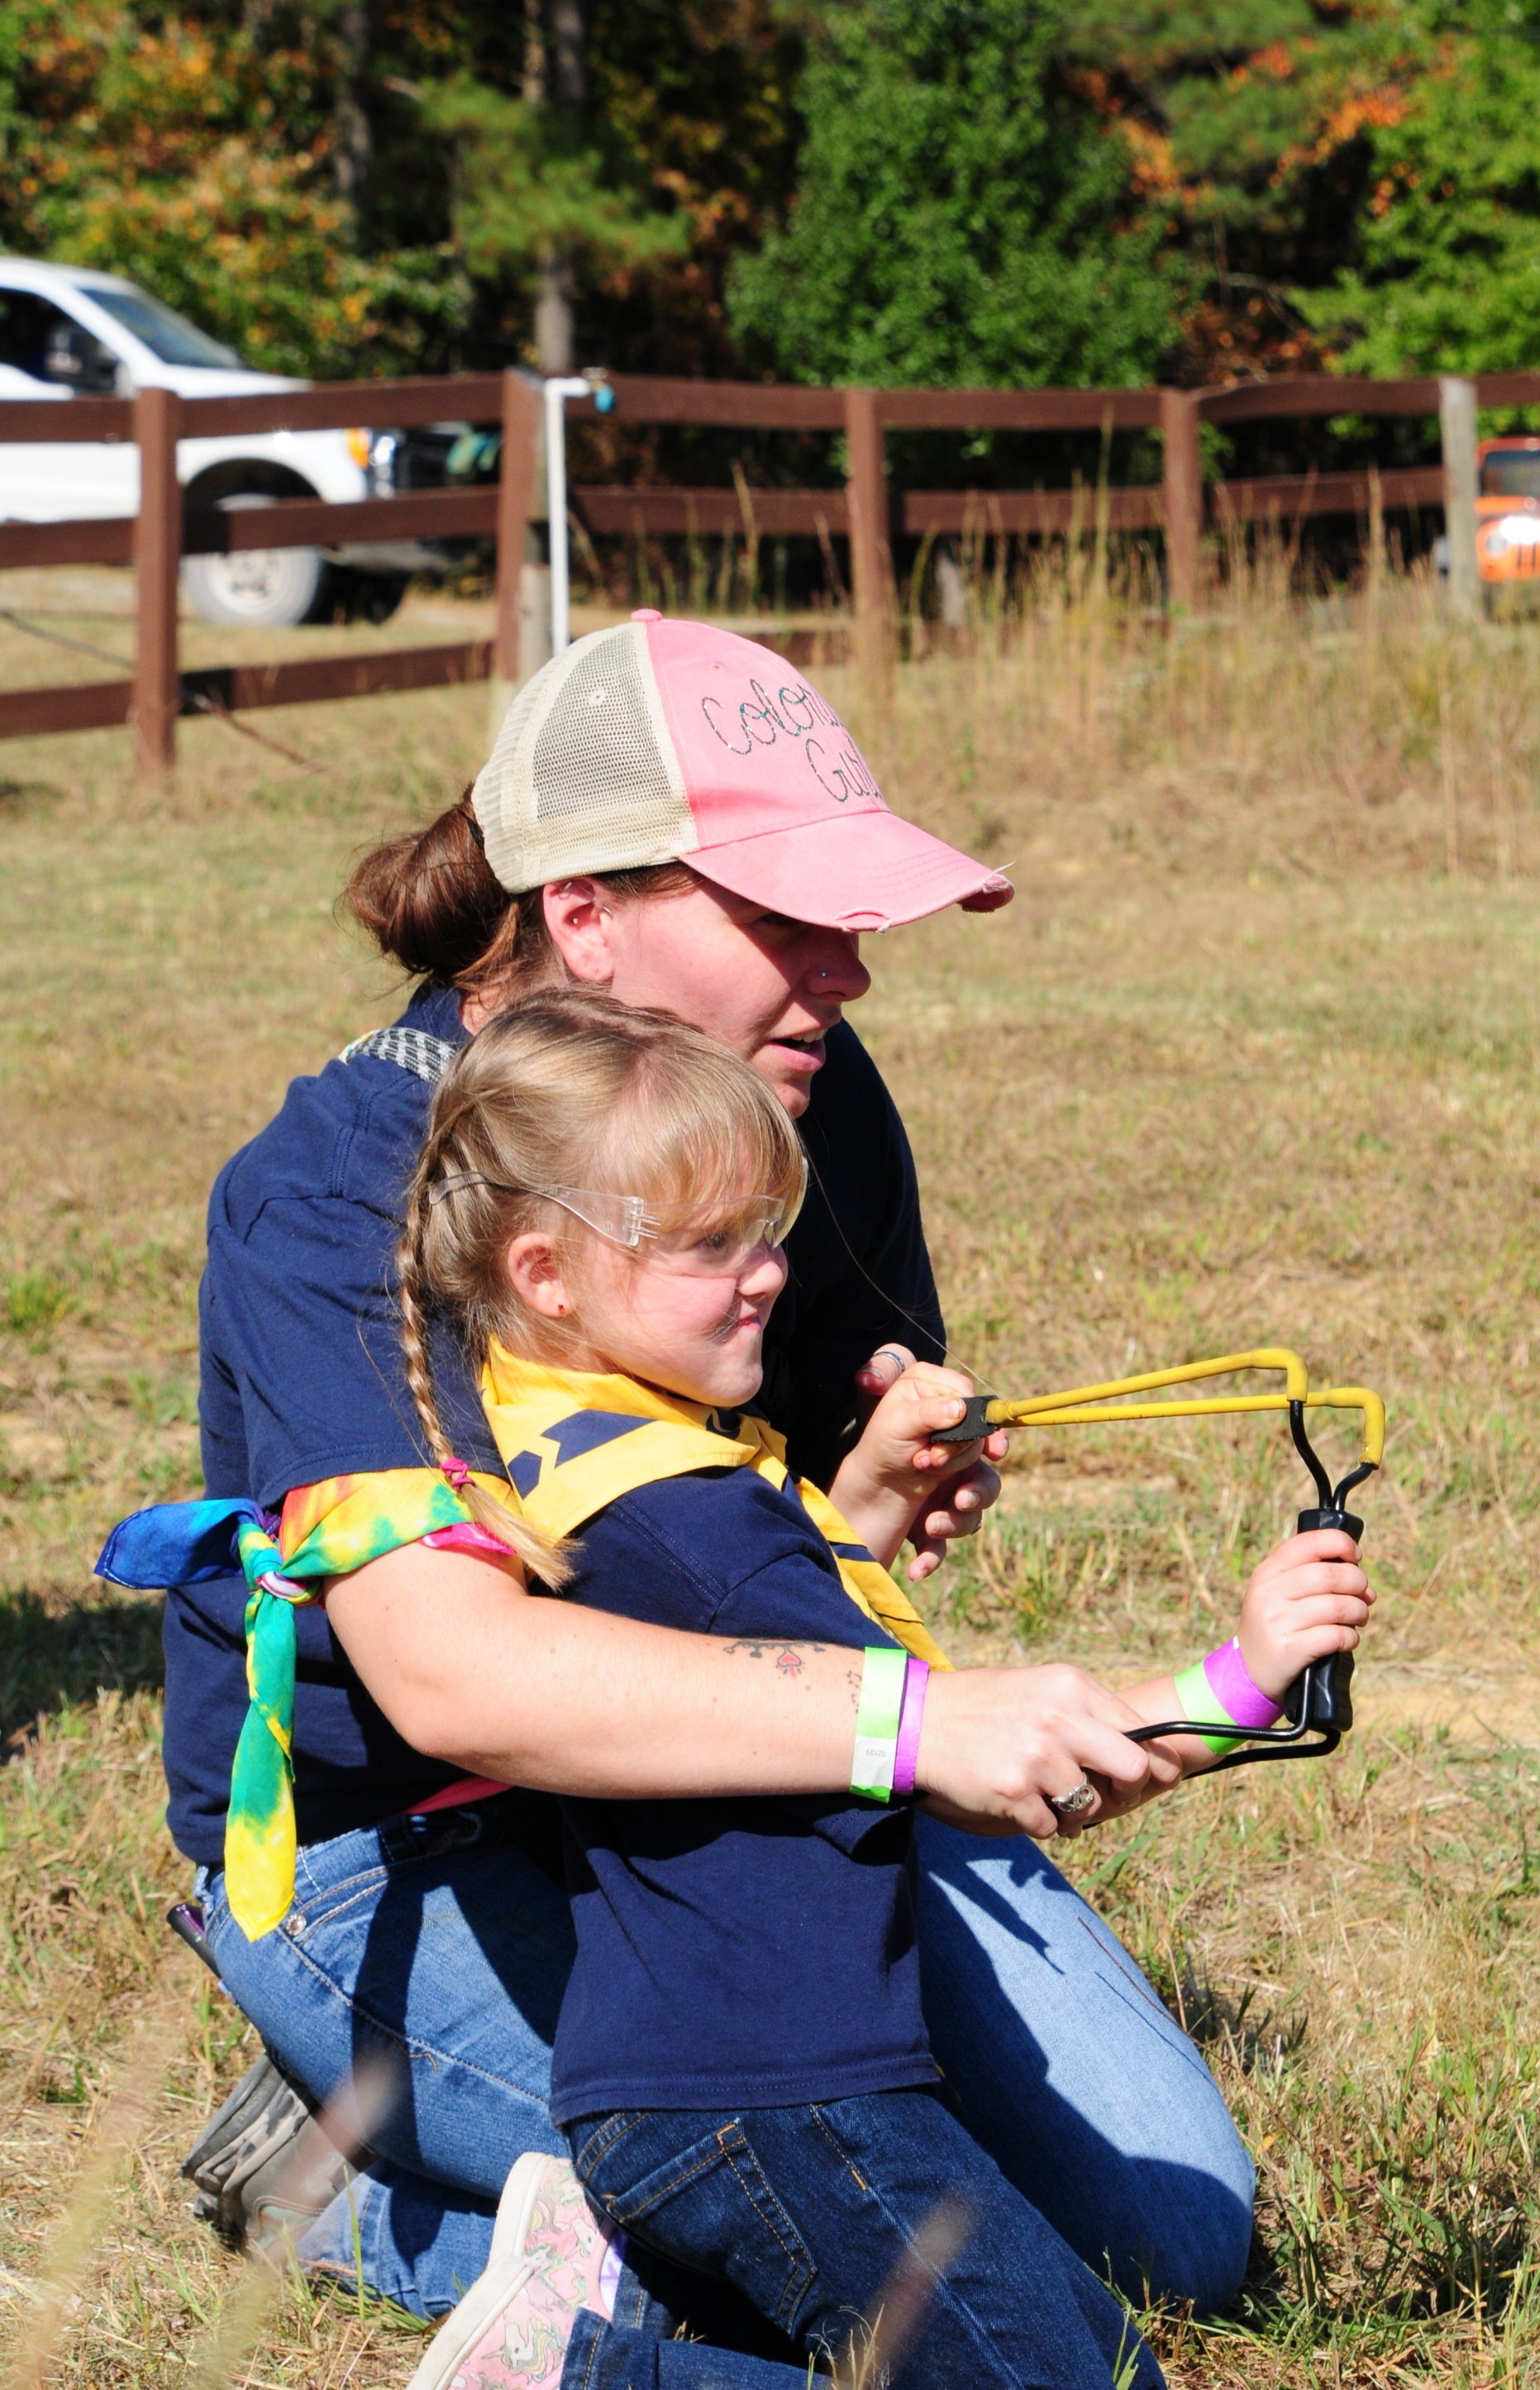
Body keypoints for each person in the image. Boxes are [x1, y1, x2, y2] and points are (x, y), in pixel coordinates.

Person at [120, 615, 1367, 2349]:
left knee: (1175, 2233)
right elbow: (455, 1674)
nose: (848, 974)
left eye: (853, 921)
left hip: (735, 1809)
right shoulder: (340, 1190)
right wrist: (917, 1724)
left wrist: (862, 1498)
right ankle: (329, 2180)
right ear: (584, 914)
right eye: (789, 919)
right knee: (788, 2227)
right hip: (404, 1843)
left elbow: (739, 1552)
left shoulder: (806, 1097)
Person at [382, 990, 1373, 2389]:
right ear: (545, 1272)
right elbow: (1022, 1779)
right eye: (710, 1243)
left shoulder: (580, 1453)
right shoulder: (711, 1528)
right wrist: (1250, 1674)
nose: (768, 1274)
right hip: (793, 2104)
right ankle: (576, 2374)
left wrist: (860, 1507)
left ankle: (610, 2310)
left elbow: (751, 1634)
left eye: (769, 1230)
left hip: (680, 2092)